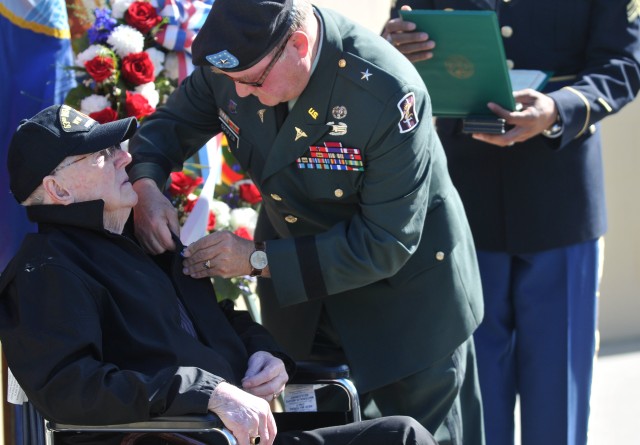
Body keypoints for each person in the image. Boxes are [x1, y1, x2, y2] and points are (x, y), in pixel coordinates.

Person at [125, 0, 485, 444]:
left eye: (252, 82)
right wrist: (145, 187)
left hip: (404, 306)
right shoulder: (241, 61)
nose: (237, 95)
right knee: (312, 435)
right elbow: (169, 126)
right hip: (303, 305)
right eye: (230, 82)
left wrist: (255, 258)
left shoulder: (385, 92)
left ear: (298, 44)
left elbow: (386, 242)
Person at [0, 104, 438, 445]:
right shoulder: (47, 267)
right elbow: (69, 388)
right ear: (57, 190)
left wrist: (266, 356)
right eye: (101, 153)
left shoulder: (146, 241)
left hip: (232, 430)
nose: (124, 158)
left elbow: (221, 320)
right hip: (174, 436)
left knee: (401, 435)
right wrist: (203, 392)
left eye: (116, 147)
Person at [383, 2, 640, 445]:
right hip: (464, 202)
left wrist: (559, 109)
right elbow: (404, 44)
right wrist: (390, 50)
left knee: (557, 396)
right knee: (477, 400)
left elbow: (624, 63)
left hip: (559, 205)